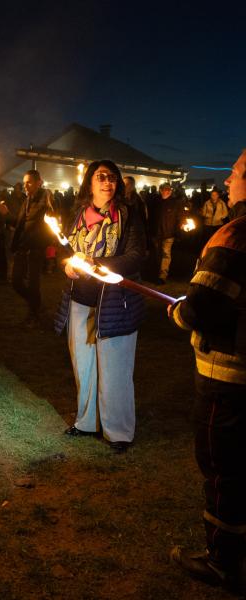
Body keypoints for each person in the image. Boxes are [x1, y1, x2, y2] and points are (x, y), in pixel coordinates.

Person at [169, 149, 246, 595]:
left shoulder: (234, 236)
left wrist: (181, 313)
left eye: (235, 173)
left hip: (229, 378)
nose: (228, 180)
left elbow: (201, 308)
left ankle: (222, 560)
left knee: (223, 468)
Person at [54, 160, 146, 453]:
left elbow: (136, 255)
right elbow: (66, 249)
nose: (107, 182)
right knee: (84, 365)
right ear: (90, 183)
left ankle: (118, 431)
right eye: (101, 177)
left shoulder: (128, 215)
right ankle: (86, 422)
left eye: (112, 178)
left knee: (115, 367)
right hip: (80, 298)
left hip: (115, 302)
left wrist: (100, 265)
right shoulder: (78, 213)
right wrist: (66, 264)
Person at [0, 169, 53, 326]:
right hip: (22, 247)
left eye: (29, 182)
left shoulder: (46, 199)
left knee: (33, 283)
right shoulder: (26, 201)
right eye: (24, 183)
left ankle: (33, 314)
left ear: (38, 182)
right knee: (16, 281)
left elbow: (51, 217)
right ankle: (36, 304)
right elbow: (19, 224)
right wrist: (6, 214)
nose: (25, 186)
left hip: (36, 248)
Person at [150, 182, 185, 284]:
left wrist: (181, 224)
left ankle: (162, 275)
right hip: (156, 233)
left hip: (169, 234)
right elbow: (151, 217)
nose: (167, 191)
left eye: (169, 189)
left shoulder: (175, 203)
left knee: (166, 254)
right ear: (161, 190)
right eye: (165, 189)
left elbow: (180, 216)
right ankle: (156, 271)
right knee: (157, 253)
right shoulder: (155, 202)